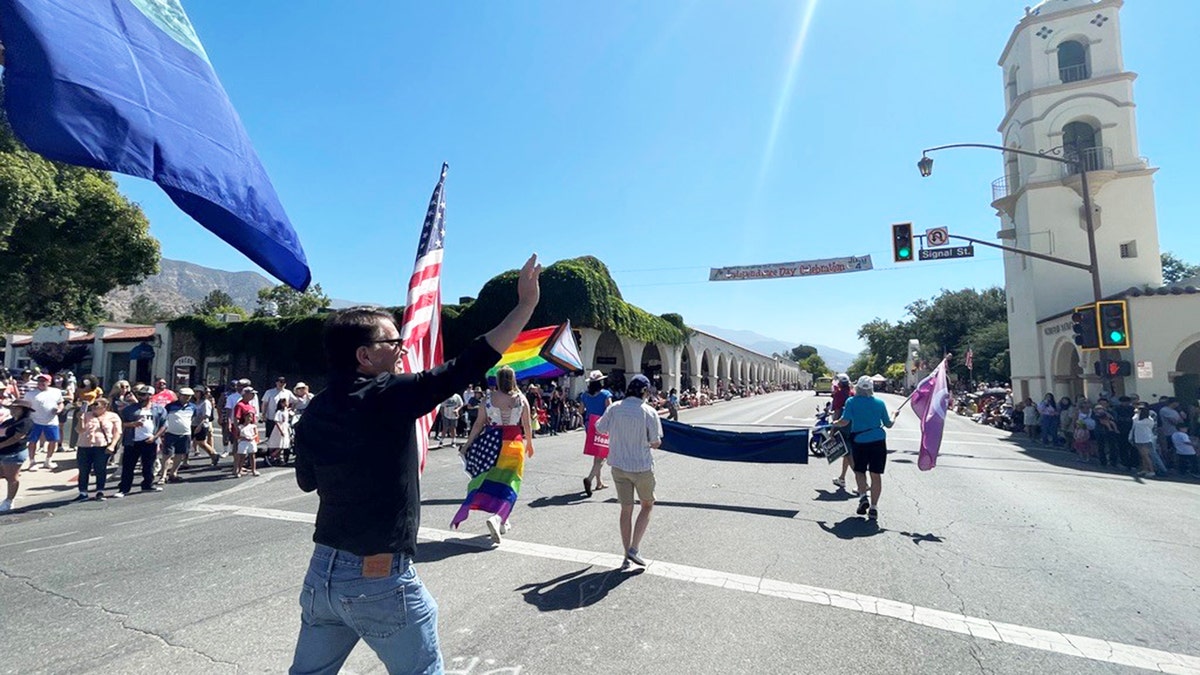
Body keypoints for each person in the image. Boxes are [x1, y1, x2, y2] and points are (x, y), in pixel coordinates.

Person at [289, 253, 541, 675]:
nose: (402, 348)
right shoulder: (386, 395)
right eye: (392, 343)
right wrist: (525, 306)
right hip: (378, 577)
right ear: (365, 357)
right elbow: (466, 366)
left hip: (323, 574)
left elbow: (306, 482)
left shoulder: (315, 409)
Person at [452, 365, 533, 544]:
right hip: (514, 443)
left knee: (493, 480)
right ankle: (498, 518)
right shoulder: (521, 398)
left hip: (492, 445)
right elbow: (527, 425)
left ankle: (502, 520)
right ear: (513, 379)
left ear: (497, 380)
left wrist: (467, 445)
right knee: (511, 484)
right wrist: (530, 445)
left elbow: (478, 424)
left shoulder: (488, 399)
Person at [595, 374, 662, 567]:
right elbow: (655, 442)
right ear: (644, 392)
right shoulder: (649, 412)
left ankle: (626, 556)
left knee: (626, 510)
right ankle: (634, 548)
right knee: (647, 505)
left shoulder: (614, 407)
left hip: (618, 465)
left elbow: (600, 428)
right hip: (641, 466)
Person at [834, 376, 896, 520]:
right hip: (878, 441)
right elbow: (888, 424)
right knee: (876, 474)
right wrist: (894, 415)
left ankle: (863, 497)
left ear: (858, 388)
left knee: (859, 471)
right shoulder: (879, 403)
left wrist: (835, 423)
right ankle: (874, 507)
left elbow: (845, 421)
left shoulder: (851, 402)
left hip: (859, 441)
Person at [115, 384, 166, 496]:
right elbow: (120, 423)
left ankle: (148, 485)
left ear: (151, 396)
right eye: (139, 394)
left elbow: (164, 425)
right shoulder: (129, 409)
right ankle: (124, 488)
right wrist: (132, 424)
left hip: (149, 440)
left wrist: (155, 437)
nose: (140, 397)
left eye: (143, 395)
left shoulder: (159, 409)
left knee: (149, 465)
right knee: (128, 466)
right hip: (132, 441)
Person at [74, 398, 122, 501]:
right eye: (93, 405)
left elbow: (117, 432)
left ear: (105, 406)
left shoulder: (113, 416)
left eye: (97, 404)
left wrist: (112, 445)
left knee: (100, 468)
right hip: (84, 445)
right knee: (83, 470)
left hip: (102, 446)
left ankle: (100, 491)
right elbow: (80, 430)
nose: (94, 407)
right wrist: (80, 419)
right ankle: (83, 492)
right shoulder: (86, 415)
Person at [580, 370, 613, 496]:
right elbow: (609, 410)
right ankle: (589, 479)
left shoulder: (584, 395)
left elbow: (581, 410)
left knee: (597, 454)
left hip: (590, 425)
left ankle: (599, 482)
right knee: (602, 455)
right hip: (602, 424)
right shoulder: (605, 394)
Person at [0, 399, 36, 511]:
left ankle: (9, 501)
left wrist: (1, 445)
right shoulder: (8, 422)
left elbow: (16, 438)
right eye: (12, 408)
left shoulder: (26, 422)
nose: (13, 410)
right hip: (3, 452)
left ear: (24, 410)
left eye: (16, 408)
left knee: (11, 478)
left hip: (14, 453)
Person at [158, 388, 197, 484]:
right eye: (184, 395)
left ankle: (173, 473)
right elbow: (163, 418)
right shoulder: (170, 406)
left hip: (185, 434)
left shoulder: (193, 407)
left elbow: (193, 418)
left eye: (189, 396)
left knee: (180, 454)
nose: (186, 398)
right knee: (167, 455)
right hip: (170, 433)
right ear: (179, 395)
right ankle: (163, 476)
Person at [830, 374, 854, 490]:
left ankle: (863, 482)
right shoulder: (852, 393)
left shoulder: (838, 395)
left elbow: (837, 413)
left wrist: (832, 430)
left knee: (848, 455)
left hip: (843, 426)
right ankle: (842, 478)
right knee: (846, 453)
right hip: (854, 426)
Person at [234, 386, 260, 478]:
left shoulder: (251, 406)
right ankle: (237, 469)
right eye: (251, 394)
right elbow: (236, 419)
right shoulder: (240, 405)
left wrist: (255, 435)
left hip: (251, 431)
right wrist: (238, 431)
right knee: (241, 454)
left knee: (252, 454)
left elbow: (253, 420)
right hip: (243, 432)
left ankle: (253, 469)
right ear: (245, 394)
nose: (253, 396)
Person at [262, 376, 293, 441]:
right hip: (271, 417)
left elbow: (295, 401)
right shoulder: (269, 392)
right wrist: (263, 414)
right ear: (276, 383)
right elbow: (265, 404)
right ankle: (270, 449)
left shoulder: (288, 392)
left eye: (284, 382)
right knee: (271, 435)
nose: (282, 384)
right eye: (280, 382)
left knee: (282, 435)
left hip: (283, 419)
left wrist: (290, 409)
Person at [267, 395, 294, 464]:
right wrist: (281, 431)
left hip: (285, 427)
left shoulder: (286, 411)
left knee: (284, 444)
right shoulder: (279, 412)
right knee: (281, 444)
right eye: (285, 402)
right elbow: (276, 422)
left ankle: (277, 458)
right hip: (280, 428)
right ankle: (271, 456)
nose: (286, 403)